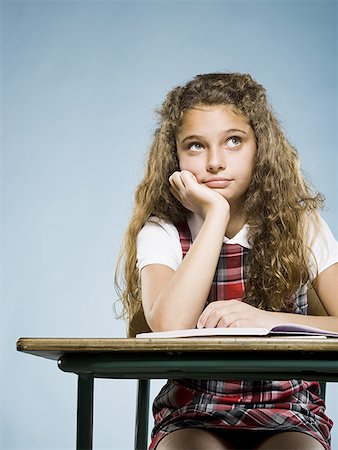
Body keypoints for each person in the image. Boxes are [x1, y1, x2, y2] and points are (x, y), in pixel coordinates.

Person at [115, 73, 338, 450]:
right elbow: (169, 325)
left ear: (259, 148)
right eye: (196, 146)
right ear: (175, 155)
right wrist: (215, 215)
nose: (216, 162)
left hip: (290, 412)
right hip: (193, 412)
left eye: (233, 141)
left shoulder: (301, 225)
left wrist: (268, 322)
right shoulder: (163, 230)